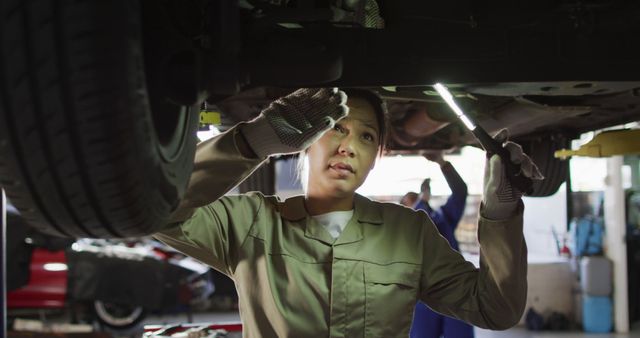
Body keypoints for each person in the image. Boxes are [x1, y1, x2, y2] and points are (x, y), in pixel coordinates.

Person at [154, 87, 542, 337]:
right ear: (305, 141)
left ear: (376, 157)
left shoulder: (408, 232)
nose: (349, 146)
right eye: (335, 128)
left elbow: (496, 310)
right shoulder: (250, 224)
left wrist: (501, 211)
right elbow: (159, 210)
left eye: (367, 136)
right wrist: (254, 141)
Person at [409, 152, 473, 338]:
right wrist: (422, 201)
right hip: (421, 297)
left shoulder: (444, 218)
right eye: (407, 205)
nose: (412, 208)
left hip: (455, 293)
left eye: (414, 201)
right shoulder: (402, 228)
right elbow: (417, 224)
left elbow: (460, 191)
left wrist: (442, 163)